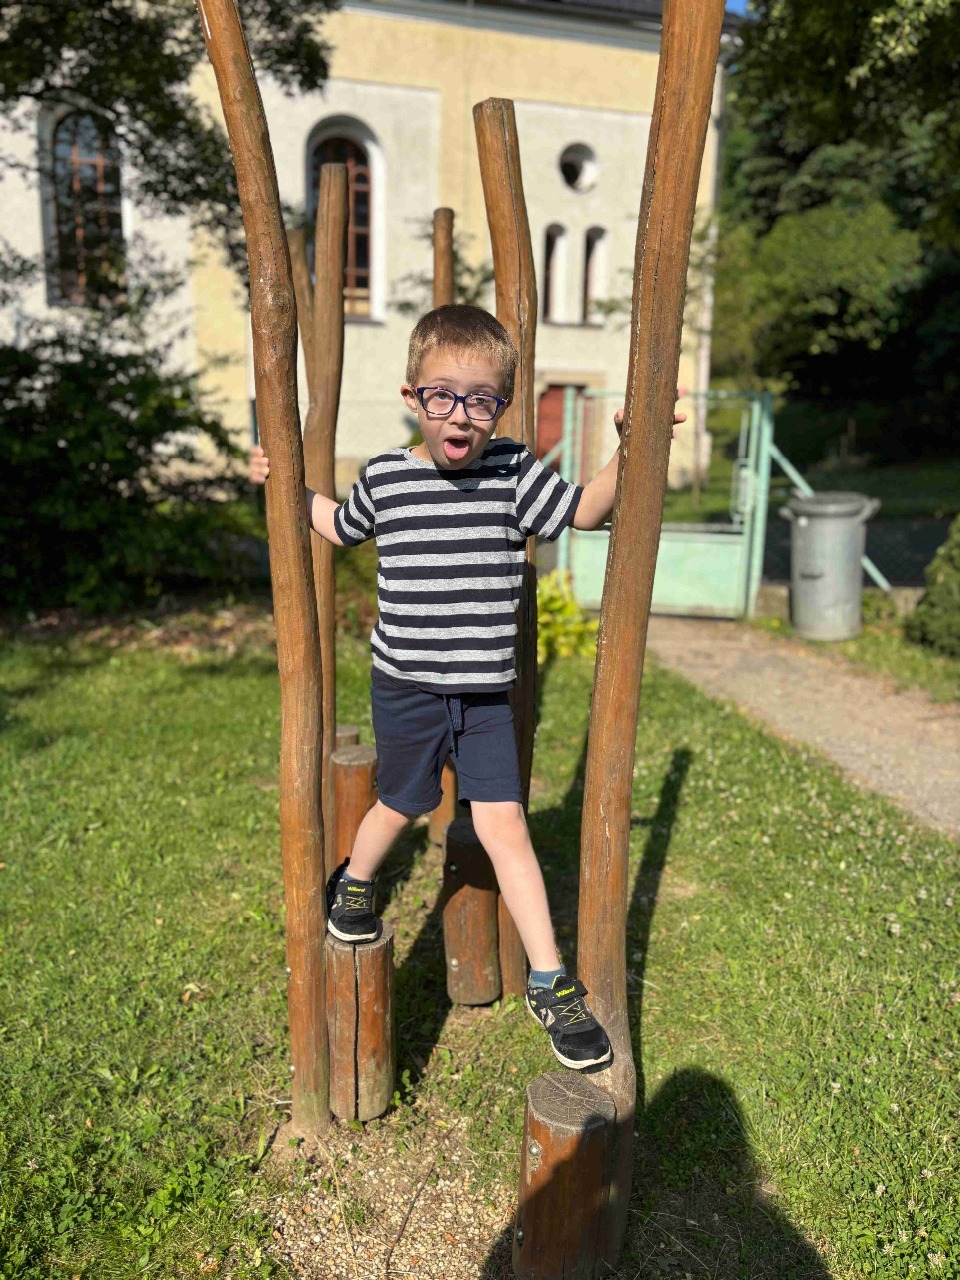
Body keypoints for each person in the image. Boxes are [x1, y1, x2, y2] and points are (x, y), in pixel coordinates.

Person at [249, 304, 684, 1070]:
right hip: (407, 686)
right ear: (412, 397)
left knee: (504, 823)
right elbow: (338, 525)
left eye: (482, 399)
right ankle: (354, 883)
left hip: (484, 695)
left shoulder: (512, 471)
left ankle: (550, 982)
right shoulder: (387, 476)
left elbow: (586, 510)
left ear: (502, 407)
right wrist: (281, 481)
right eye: (443, 395)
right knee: (402, 802)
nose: (461, 414)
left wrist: (632, 447)